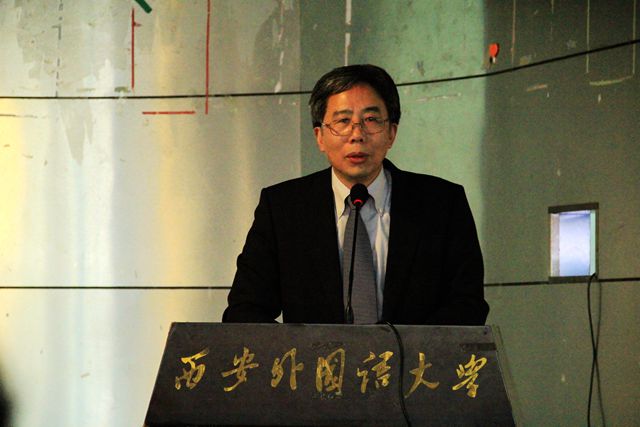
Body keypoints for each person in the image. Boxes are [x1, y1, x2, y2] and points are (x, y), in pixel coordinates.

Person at [223, 64, 488, 325]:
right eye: (343, 121)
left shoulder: (442, 204)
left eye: (371, 120)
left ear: (392, 133)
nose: (357, 135)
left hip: (411, 356)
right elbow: (244, 311)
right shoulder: (283, 209)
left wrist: (401, 347)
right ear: (320, 137)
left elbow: (468, 305)